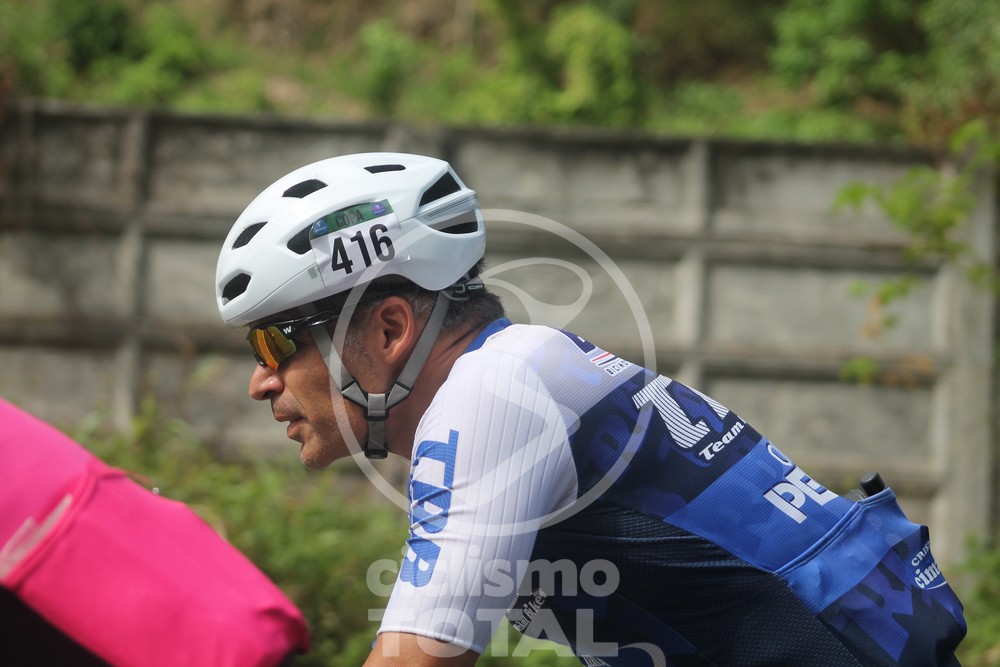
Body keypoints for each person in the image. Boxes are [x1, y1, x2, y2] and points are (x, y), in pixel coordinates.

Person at [215, 152, 967, 666]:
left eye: (275, 343)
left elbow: (417, 658)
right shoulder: (524, 367)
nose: (260, 381)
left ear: (388, 329)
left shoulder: (489, 394)